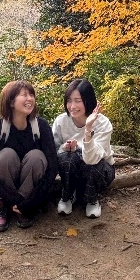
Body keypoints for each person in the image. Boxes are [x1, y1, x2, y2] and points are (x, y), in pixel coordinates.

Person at [0, 80, 58, 232]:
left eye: (31, 95)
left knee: (36, 156)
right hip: (8, 189)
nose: (30, 99)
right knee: (6, 155)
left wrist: (30, 201)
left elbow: (53, 167)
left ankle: (23, 209)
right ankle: (6, 206)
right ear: (10, 102)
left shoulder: (41, 126)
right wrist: (12, 198)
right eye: (24, 95)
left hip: (31, 191)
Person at [52, 78, 115, 218]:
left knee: (90, 161)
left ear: (88, 100)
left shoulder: (102, 123)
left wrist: (88, 130)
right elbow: (53, 152)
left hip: (100, 170)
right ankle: (67, 196)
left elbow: (93, 159)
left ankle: (92, 199)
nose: (72, 106)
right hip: (72, 170)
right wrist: (64, 148)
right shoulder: (61, 121)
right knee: (67, 157)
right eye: (69, 100)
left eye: (78, 101)